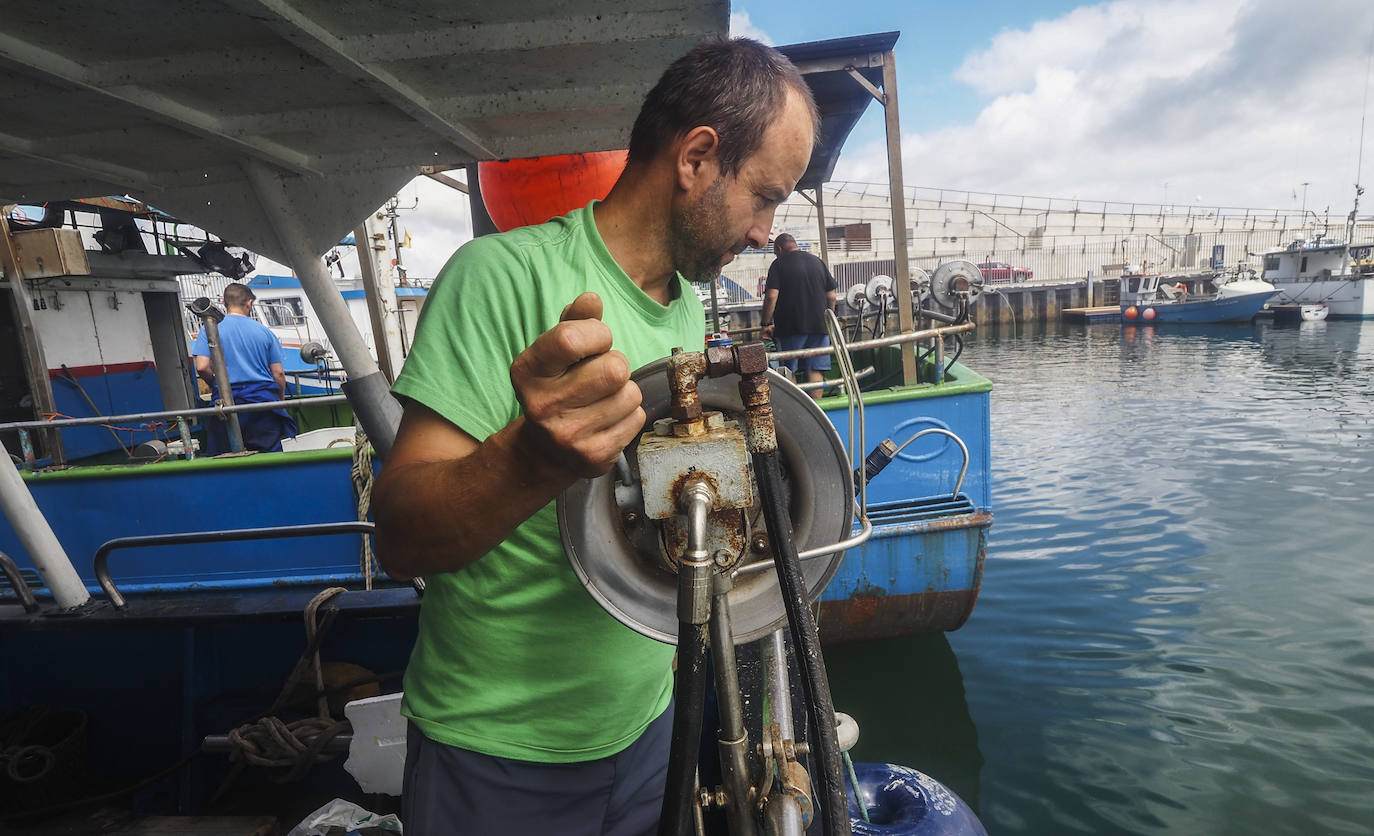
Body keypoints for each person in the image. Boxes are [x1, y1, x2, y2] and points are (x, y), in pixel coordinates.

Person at [370, 36, 818, 836]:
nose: (765, 232)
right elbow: (400, 535)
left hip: (651, 729)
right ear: (697, 158)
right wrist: (530, 460)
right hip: (499, 754)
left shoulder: (684, 301)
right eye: (765, 196)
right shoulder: (496, 278)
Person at [191, 282, 296, 453]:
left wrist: (216, 384)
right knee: (269, 458)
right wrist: (279, 401)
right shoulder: (265, 332)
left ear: (224, 303)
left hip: (225, 404)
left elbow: (202, 367)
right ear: (249, 304)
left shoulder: (209, 330)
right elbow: (278, 374)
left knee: (226, 457)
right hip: (262, 404)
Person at [759, 233, 837, 398]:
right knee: (815, 369)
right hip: (820, 326)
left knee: (789, 370)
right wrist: (828, 320)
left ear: (779, 248)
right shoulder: (817, 262)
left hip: (790, 328)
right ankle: (818, 407)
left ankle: (797, 411)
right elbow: (832, 296)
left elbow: (772, 296)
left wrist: (765, 324)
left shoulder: (778, 264)